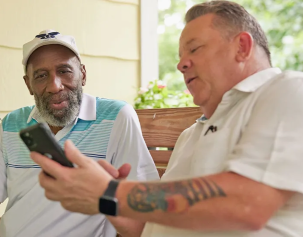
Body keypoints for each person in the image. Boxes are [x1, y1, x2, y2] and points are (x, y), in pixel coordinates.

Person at [30, 1, 303, 237]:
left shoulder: (286, 91)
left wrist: (112, 192)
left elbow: (249, 203)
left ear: (242, 47)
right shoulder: (190, 135)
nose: (181, 64)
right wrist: (102, 199)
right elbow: (144, 228)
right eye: (180, 55)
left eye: (194, 49)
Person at [0, 30, 159, 237]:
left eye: (64, 71)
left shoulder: (116, 118)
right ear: (28, 84)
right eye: (41, 76)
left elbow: (144, 212)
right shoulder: (12, 125)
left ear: (83, 74)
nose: (54, 86)